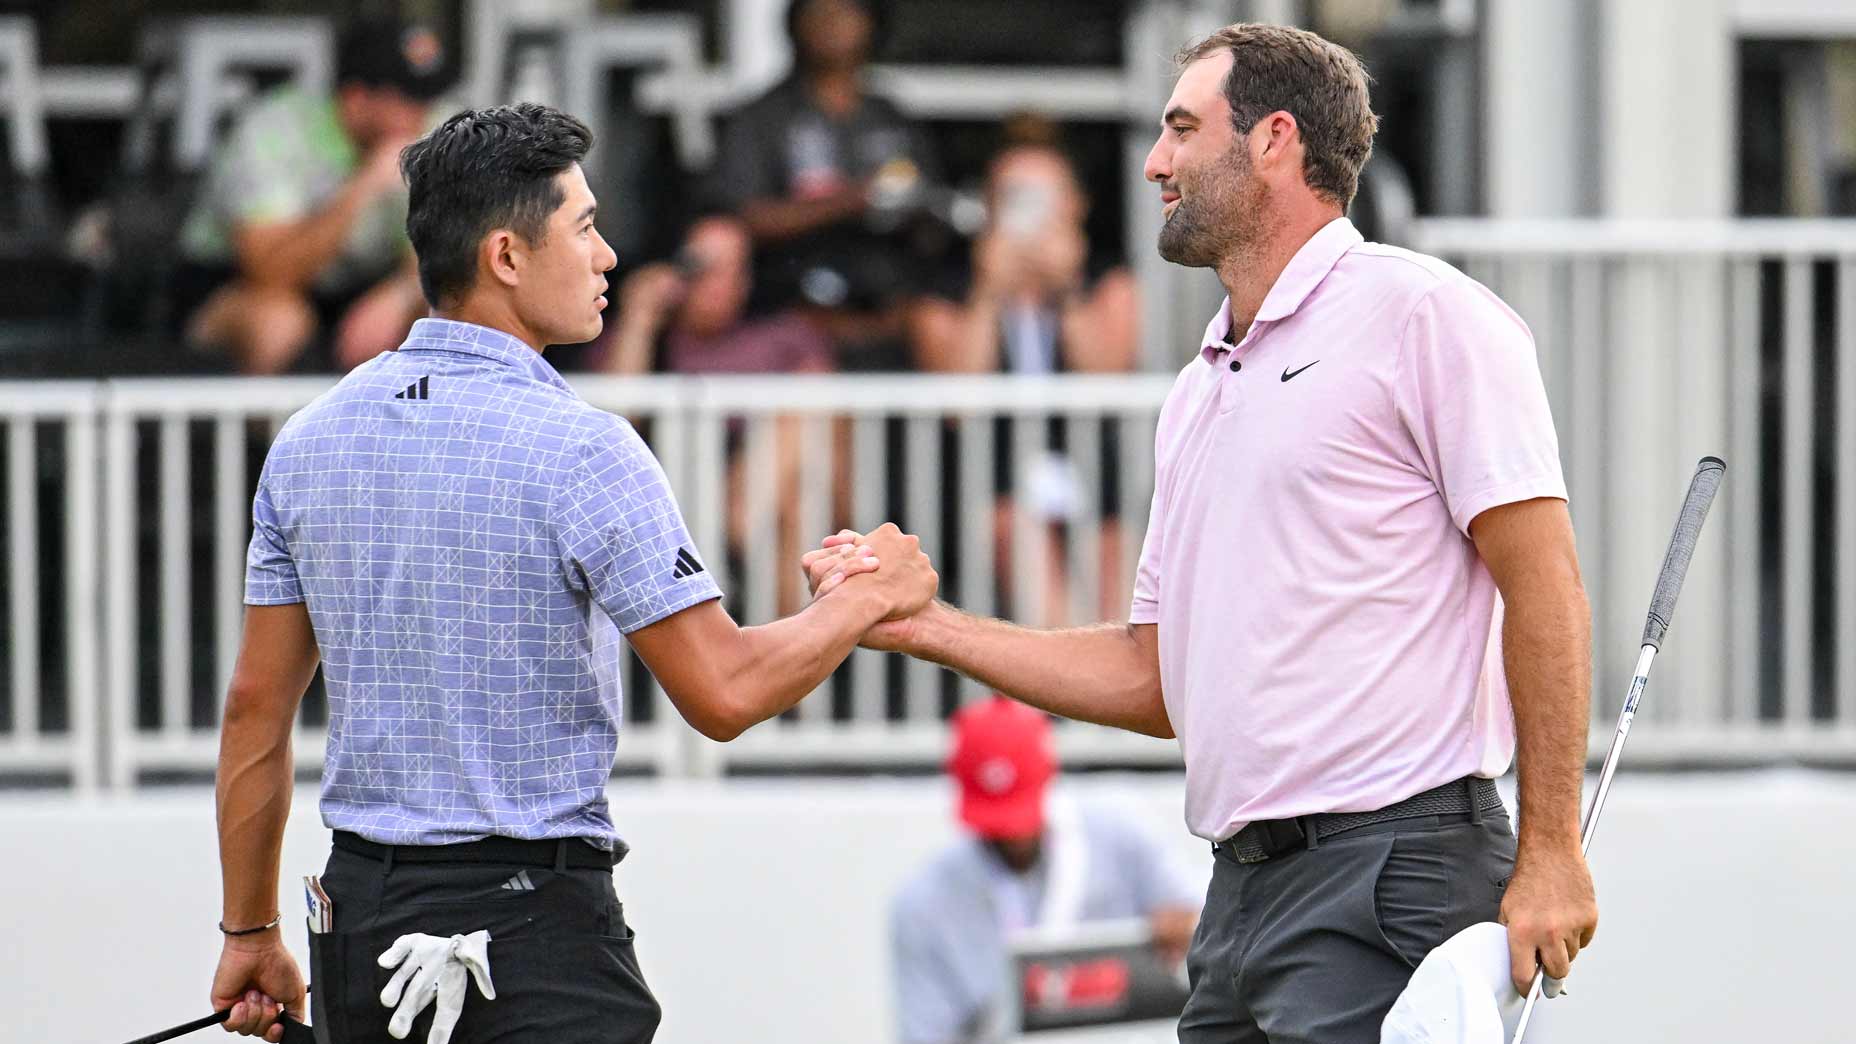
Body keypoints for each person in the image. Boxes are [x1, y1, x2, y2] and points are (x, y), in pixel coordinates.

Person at [808, 22, 1598, 1044]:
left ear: (1272, 142)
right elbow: (1153, 680)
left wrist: (1549, 850)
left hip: (1391, 872)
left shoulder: (1427, 316)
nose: (1153, 161)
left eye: (1180, 129)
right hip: (1238, 896)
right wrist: (920, 624)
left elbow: (1545, 591)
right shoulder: (1197, 388)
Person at [206, 103, 932, 1044]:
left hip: (359, 926)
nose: (608, 256)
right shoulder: (586, 449)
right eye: (584, 227)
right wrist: (870, 594)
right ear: (507, 256)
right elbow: (725, 689)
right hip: (530, 937)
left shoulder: (307, 443)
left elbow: (254, 711)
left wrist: (249, 931)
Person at [910, 125, 1139, 624]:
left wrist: (1069, 289)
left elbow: (1106, 380)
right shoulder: (949, 285)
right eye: (1015, 197)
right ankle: (1076, 690)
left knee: (1118, 549)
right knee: (1016, 529)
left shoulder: (1104, 279)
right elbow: (958, 402)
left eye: (1044, 197)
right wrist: (989, 292)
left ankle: (1116, 687)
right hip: (988, 479)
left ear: (1075, 205)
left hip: (1089, 471)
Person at [890, 697, 1199, 1044]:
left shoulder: (1119, 834)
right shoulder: (924, 905)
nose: (1012, 836)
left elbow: (1207, 924)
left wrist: (1184, 926)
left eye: (1019, 810)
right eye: (997, 822)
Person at [174, 17, 450, 375]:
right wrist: (363, 185)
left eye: (428, 98)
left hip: (355, 292)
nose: (422, 114)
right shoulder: (273, 132)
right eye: (408, 100)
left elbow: (444, 256)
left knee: (438, 315)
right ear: (356, 99)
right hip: (231, 287)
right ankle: (277, 433)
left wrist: (400, 295)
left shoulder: (435, 131)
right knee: (280, 323)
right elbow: (270, 273)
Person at [598, 213, 838, 613]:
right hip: (673, 495)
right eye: (701, 266)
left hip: (767, 495)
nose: (716, 282)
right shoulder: (652, 337)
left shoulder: (785, 336)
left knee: (801, 482)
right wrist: (640, 316)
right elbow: (609, 423)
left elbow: (827, 419)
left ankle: (784, 642)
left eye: (732, 269)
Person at [711, 0, 940, 369]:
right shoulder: (762, 117)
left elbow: (930, 210)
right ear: (794, 25)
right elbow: (742, 215)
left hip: (890, 306)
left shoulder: (892, 118)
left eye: (847, 12)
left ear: (871, 24)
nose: (832, 24)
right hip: (791, 304)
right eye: (818, 12)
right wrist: (851, 201)